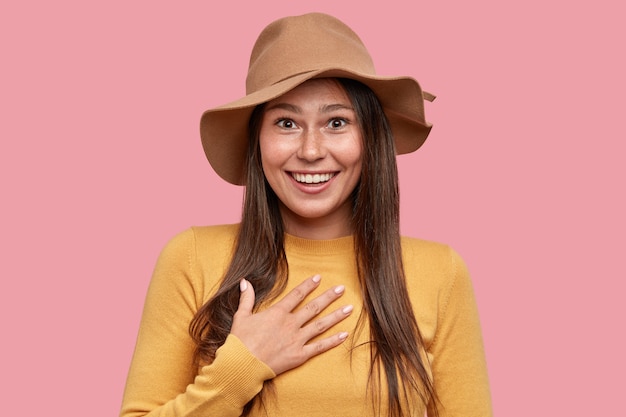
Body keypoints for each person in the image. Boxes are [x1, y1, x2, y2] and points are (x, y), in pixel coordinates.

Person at [120, 12, 492, 417]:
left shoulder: (440, 273)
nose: (311, 150)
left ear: (369, 137)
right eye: (286, 123)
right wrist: (240, 368)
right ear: (256, 140)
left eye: (336, 122)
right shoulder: (191, 258)